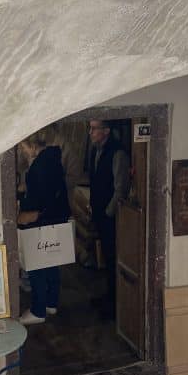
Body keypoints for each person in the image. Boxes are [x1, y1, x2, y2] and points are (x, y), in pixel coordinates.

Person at [17, 127, 71, 325]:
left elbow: (41, 197)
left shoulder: (41, 165)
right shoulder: (52, 160)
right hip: (55, 219)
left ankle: (38, 310)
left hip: (41, 221)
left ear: (32, 145)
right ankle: (51, 303)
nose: (22, 151)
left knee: (37, 264)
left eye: (23, 146)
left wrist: (29, 214)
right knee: (51, 259)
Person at [87, 119, 129, 316]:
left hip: (110, 217)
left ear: (106, 130)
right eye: (90, 128)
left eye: (94, 129)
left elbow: (120, 187)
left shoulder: (117, 152)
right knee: (106, 256)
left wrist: (107, 213)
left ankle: (115, 304)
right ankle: (108, 296)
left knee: (113, 257)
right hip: (99, 213)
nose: (90, 132)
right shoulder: (96, 150)